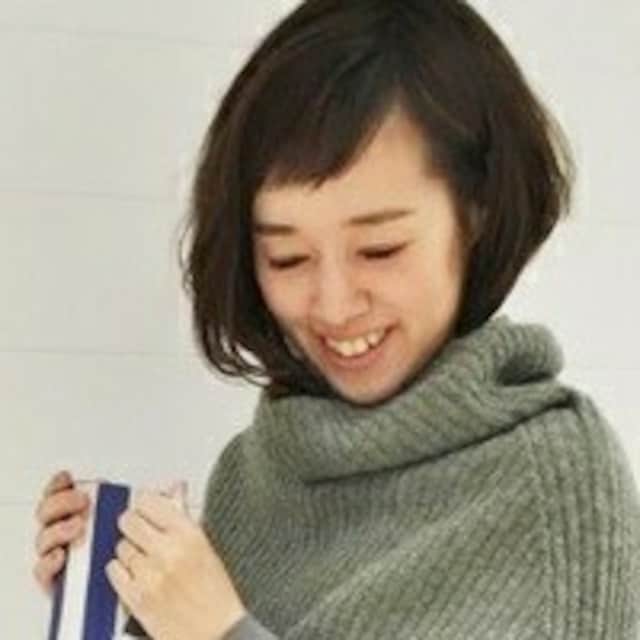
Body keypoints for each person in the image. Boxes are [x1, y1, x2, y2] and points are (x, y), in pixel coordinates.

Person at [33, 0, 640, 638]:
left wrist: (219, 631)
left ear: (476, 216)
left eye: (379, 250)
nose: (334, 304)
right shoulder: (256, 477)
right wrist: (121, 601)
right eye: (287, 257)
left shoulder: (556, 491)